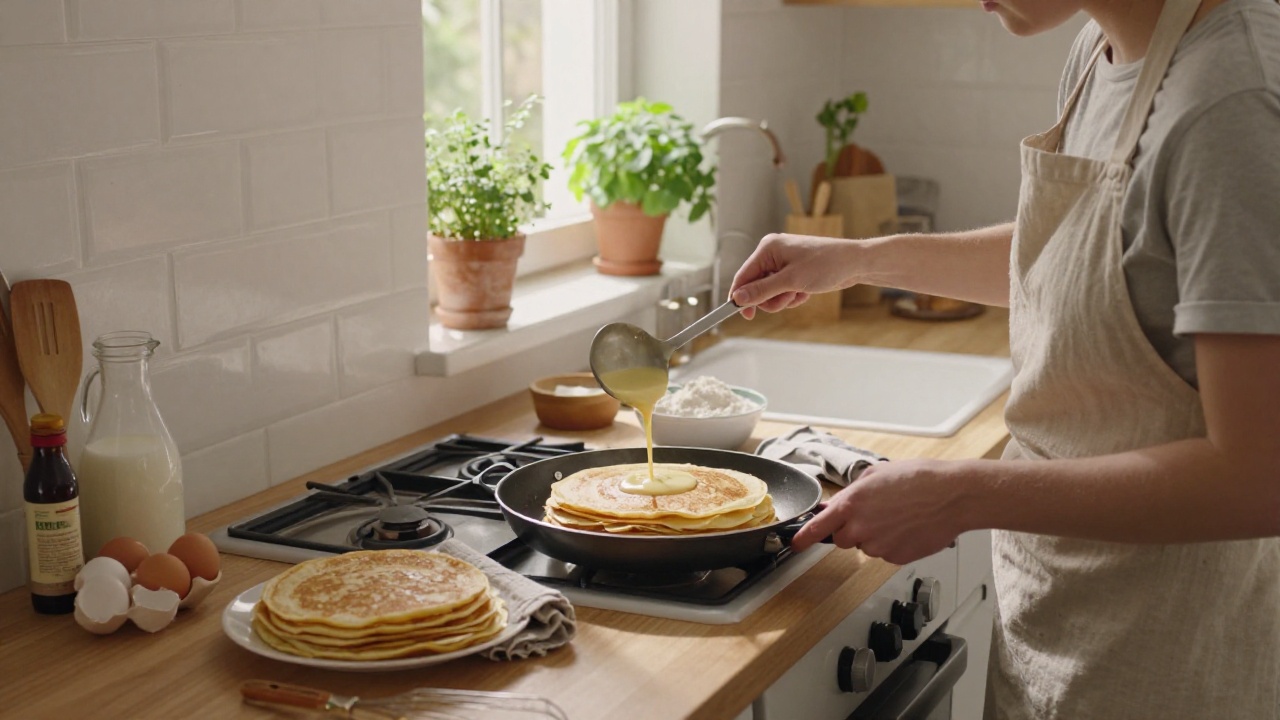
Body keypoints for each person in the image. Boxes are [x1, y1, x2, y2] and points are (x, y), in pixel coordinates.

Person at [728, 0, 1280, 717]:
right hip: (1062, 624)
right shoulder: (1101, 49)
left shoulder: (1232, 101)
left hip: (1167, 656)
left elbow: (1258, 474)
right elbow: (1089, 254)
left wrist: (962, 494)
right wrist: (857, 260)